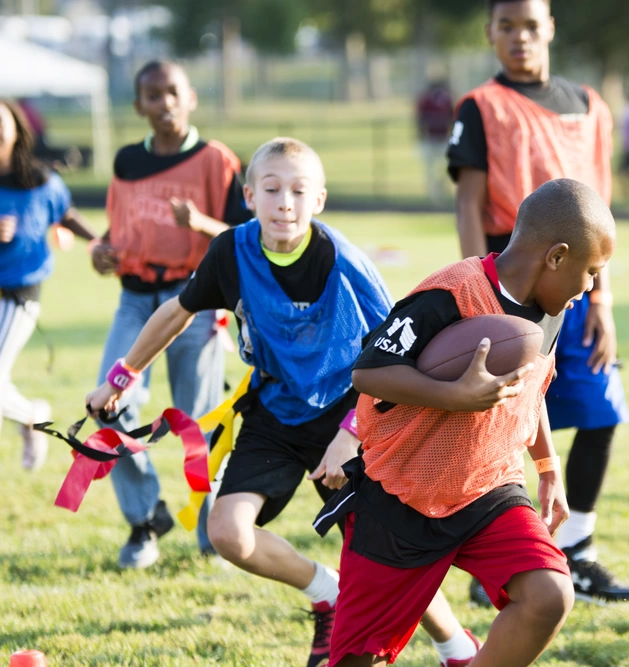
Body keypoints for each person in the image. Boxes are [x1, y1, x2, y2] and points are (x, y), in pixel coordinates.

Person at [86, 137, 481, 667]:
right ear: (249, 195)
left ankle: (457, 648)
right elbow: (176, 312)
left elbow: (397, 349)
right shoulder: (230, 251)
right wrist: (120, 376)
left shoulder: (344, 260)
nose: (284, 203)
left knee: (384, 556)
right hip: (274, 409)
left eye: (298, 191)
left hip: (348, 411)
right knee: (226, 532)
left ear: (318, 200)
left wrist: (351, 432)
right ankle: (326, 592)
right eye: (271, 190)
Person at [313, 178, 614, 666]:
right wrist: (453, 395)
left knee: (549, 594)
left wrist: (549, 466)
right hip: (401, 497)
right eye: (592, 272)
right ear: (556, 257)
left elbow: (529, 391)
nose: (591, 288)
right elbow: (368, 371)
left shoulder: (551, 309)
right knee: (354, 660)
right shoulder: (450, 294)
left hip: (487, 491)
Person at [446, 0, 629, 604]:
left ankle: (576, 549)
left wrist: (604, 297)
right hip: (513, 287)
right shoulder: (481, 107)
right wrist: (478, 290)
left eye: (530, 26)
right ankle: (502, 561)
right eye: (506, 27)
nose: (519, 38)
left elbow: (600, 208)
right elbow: (469, 204)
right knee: (506, 424)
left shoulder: (590, 105)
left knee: (602, 413)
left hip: (580, 287)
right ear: (490, 34)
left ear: (550, 28)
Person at [88, 60, 251, 569]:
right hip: (135, 299)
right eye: (152, 96)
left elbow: (246, 239)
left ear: (192, 96)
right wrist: (102, 251)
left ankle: (212, 532)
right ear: (138, 105)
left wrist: (199, 221)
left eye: (173, 93)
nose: (164, 104)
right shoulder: (126, 161)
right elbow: (117, 231)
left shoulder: (217, 160)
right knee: (108, 406)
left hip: (194, 298)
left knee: (198, 422)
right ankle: (144, 522)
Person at [0, 99, 98, 470]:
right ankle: (31, 415)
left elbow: (67, 215)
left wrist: (99, 241)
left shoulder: (42, 181)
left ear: (17, 129)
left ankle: (30, 415)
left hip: (18, 295)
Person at [416, 79, 455, 204]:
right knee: (430, 168)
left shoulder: (447, 100)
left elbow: (452, 117)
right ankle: (432, 193)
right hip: (430, 139)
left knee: (446, 167)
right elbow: (420, 118)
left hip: (443, 138)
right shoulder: (426, 100)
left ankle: (441, 189)